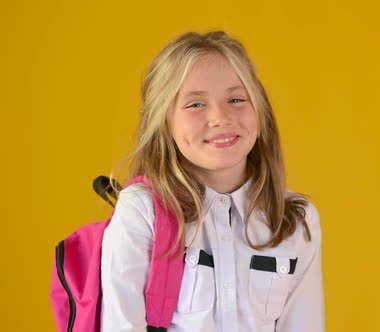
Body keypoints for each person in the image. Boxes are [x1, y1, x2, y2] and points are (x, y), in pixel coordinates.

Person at [100, 31, 325, 331]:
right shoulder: (142, 212)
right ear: (163, 121)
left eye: (236, 99)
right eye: (196, 105)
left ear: (260, 111)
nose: (220, 117)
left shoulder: (295, 219)